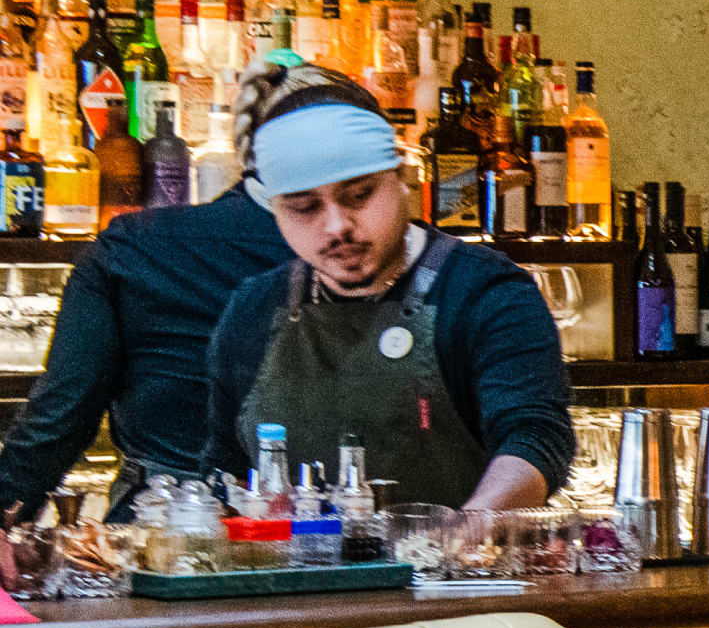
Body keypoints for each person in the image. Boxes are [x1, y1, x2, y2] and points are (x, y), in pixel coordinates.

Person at [204, 67, 571, 514]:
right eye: (304, 207)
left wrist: (470, 527)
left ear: (401, 177)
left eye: (359, 195)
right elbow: (225, 469)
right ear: (275, 211)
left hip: (457, 576)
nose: (337, 225)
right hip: (292, 576)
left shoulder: (486, 293)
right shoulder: (254, 308)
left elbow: (534, 438)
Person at [0, 152, 288, 518]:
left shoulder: (132, 244)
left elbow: (61, 414)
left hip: (162, 519)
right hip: (336, 522)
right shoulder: (363, 255)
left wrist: (6, 516)